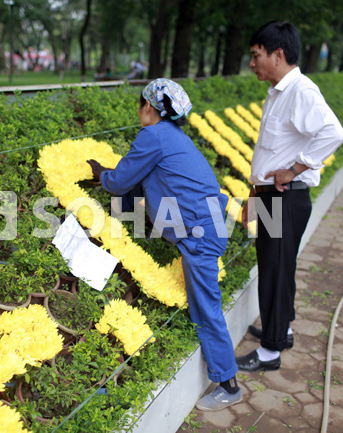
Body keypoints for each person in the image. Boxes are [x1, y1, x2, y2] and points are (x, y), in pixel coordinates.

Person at [86, 78, 242, 411]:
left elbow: (120, 182)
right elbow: (144, 181)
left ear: (148, 107)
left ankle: (229, 384)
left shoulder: (153, 136)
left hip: (200, 233)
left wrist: (101, 174)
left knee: (206, 308)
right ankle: (224, 372)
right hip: (210, 224)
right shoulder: (172, 136)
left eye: (140, 105)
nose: (138, 112)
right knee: (203, 304)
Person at [238, 21, 343, 372]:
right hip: (272, 197)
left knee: (275, 272)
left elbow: (333, 133)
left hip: (285, 197)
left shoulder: (301, 91)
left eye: (256, 56)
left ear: (277, 54)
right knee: (278, 268)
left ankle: (270, 351)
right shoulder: (280, 91)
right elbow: (272, 151)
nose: (252, 63)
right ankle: (279, 330)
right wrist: (255, 193)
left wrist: (296, 169)